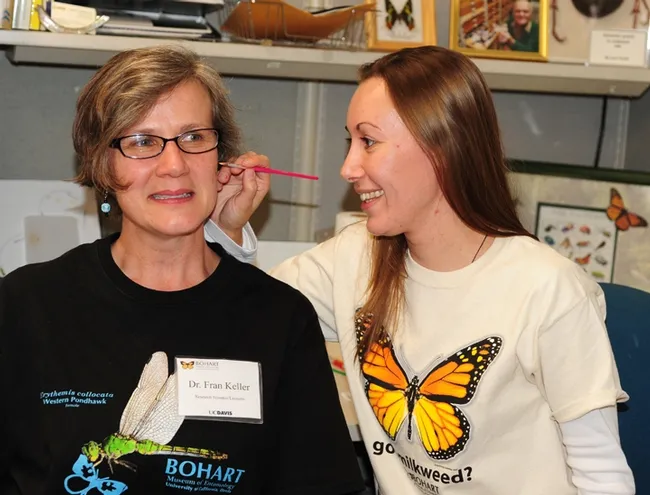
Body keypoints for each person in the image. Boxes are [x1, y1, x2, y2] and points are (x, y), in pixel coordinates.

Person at [205, 46, 636, 495]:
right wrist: (226, 228)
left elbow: (603, 478)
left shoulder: (548, 290)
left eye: (368, 141)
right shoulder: (356, 255)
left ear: (441, 148)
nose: (348, 168)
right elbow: (243, 315)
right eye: (349, 141)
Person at [0, 46, 365, 495]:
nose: (174, 165)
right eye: (141, 141)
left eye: (193, 137)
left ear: (221, 159)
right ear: (102, 164)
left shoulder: (281, 317)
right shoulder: (24, 306)